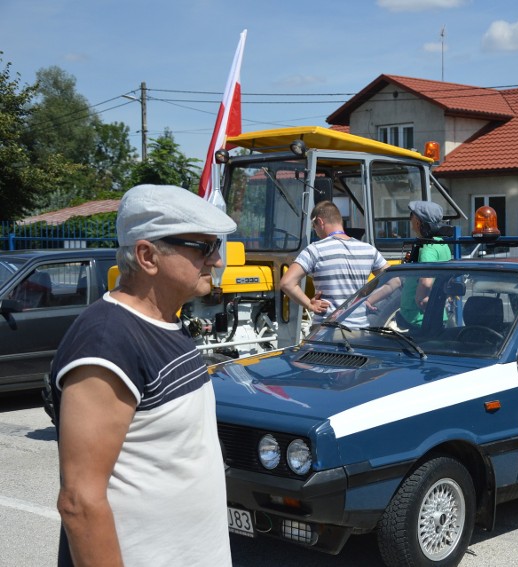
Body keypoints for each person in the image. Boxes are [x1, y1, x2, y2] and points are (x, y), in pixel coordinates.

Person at [50, 184, 236, 567]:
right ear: (147, 255)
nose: (216, 260)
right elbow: (80, 501)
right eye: (204, 247)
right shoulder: (107, 342)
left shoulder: (166, 322)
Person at [280, 200, 388, 328]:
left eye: (314, 227)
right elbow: (394, 280)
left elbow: (286, 283)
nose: (316, 232)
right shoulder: (369, 249)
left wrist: (309, 304)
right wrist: (368, 297)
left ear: (320, 222)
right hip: (360, 329)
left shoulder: (315, 250)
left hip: (327, 331)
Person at [365, 201, 451, 329]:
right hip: (431, 317)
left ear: (418, 221)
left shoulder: (428, 248)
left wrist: (420, 301)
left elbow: (426, 282)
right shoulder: (442, 244)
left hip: (419, 320)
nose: (410, 219)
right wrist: (369, 300)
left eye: (412, 215)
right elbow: (398, 281)